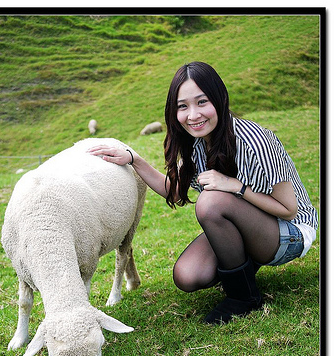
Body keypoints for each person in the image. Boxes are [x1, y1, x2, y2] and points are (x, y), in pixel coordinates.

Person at [88, 61, 318, 325]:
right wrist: (134, 159)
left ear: (219, 99)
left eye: (202, 102)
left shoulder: (255, 140)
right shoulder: (198, 145)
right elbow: (174, 192)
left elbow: (289, 209)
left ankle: (244, 297)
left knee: (210, 202)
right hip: (250, 227)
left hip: (290, 233)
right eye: (183, 106)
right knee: (187, 275)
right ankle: (242, 265)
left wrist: (236, 187)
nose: (193, 115)